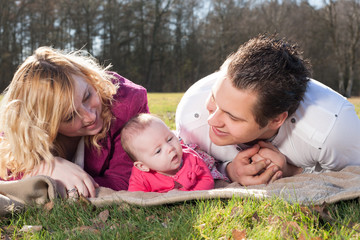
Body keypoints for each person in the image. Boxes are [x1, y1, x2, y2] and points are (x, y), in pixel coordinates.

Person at [176, 34, 360, 186]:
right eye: (214, 99)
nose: (212, 120)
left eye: (233, 117)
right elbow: (179, 168)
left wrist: (292, 171)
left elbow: (352, 176)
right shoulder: (192, 116)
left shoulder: (333, 129)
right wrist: (229, 171)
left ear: (276, 120)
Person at [0, 46, 149, 197]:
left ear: (88, 77)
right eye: (70, 117)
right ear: (42, 125)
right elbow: (7, 173)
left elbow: (126, 180)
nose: (90, 116)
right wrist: (45, 167)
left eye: (87, 96)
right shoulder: (23, 128)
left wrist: (65, 185)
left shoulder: (127, 102)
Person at [121, 113, 214, 192]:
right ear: (143, 166)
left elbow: (207, 181)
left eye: (169, 139)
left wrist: (188, 196)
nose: (170, 148)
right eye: (158, 151)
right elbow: (136, 197)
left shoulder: (192, 159)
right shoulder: (140, 176)